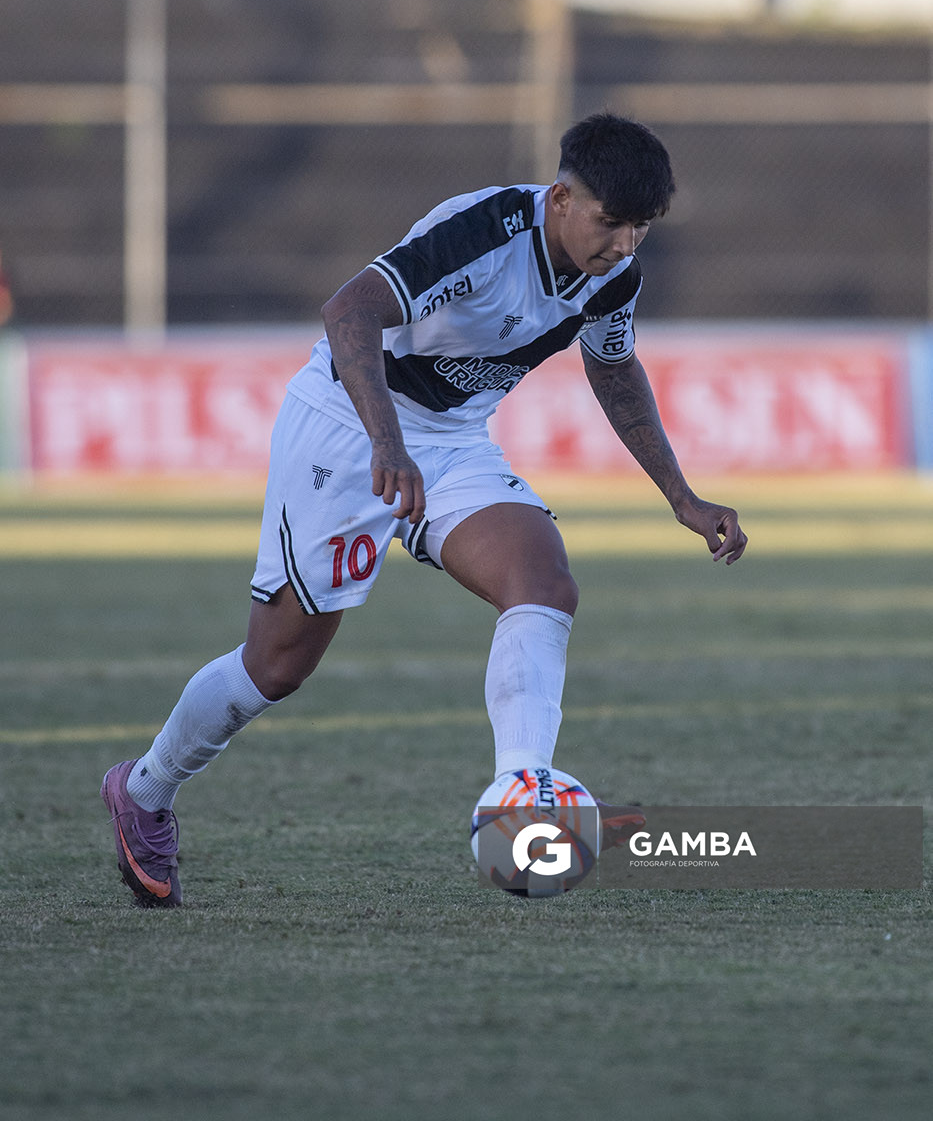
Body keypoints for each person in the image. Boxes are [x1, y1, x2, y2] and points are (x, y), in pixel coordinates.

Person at [101, 113, 747, 907]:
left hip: (450, 440)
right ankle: (144, 791)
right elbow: (348, 310)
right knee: (277, 665)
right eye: (610, 222)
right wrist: (387, 444)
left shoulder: (614, 276)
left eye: (640, 228)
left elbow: (612, 370)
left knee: (543, 583)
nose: (623, 244)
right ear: (560, 199)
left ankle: (523, 793)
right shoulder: (483, 232)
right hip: (347, 425)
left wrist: (681, 497)